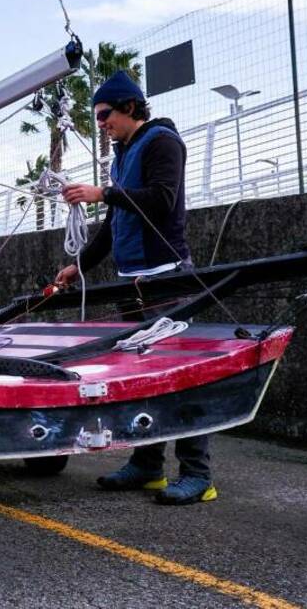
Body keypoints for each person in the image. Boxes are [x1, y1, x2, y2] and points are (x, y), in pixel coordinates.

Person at [53, 70, 214, 506]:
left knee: (181, 378)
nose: (101, 122)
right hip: (133, 280)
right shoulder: (121, 154)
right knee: (144, 376)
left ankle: (198, 474)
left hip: (166, 275)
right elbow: (113, 225)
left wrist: (104, 193)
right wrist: (78, 267)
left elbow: (162, 199)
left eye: (105, 114)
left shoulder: (163, 142)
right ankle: (147, 465)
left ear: (129, 107)